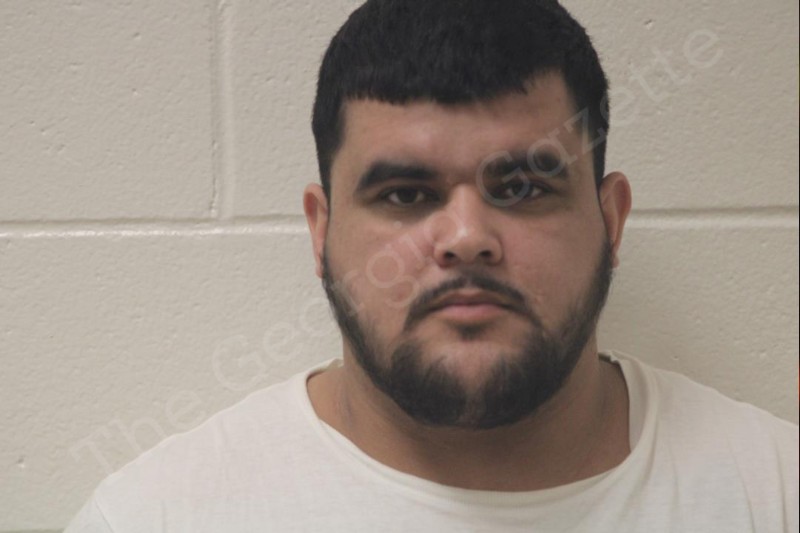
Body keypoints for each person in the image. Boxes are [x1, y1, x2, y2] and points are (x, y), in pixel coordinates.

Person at [66, 0, 798, 531]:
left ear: (610, 221)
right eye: (405, 195)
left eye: (524, 187)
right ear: (321, 230)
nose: (467, 238)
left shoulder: (776, 492)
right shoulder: (158, 515)